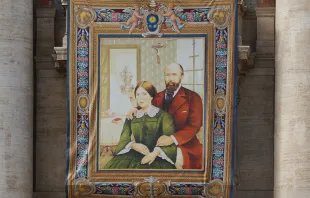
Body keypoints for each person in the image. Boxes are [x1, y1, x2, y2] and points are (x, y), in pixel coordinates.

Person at [128, 63, 203, 169]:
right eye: (167, 75)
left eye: (174, 75)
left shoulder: (193, 97)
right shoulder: (158, 96)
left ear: (181, 76)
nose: (170, 79)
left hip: (184, 144)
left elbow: (194, 126)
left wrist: (172, 139)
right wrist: (135, 109)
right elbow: (147, 106)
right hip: (158, 142)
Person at [104, 81, 177, 169]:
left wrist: (154, 154)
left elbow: (169, 142)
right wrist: (133, 145)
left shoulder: (164, 116)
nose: (140, 98)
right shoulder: (132, 115)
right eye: (138, 94)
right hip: (132, 154)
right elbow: (124, 139)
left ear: (151, 96)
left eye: (144, 94)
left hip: (157, 156)